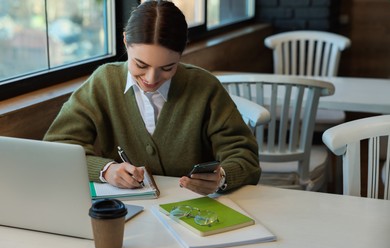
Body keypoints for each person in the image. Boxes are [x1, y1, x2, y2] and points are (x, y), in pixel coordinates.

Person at [43, 0, 260, 195]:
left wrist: (222, 177)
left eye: (167, 67)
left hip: (197, 212)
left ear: (181, 53)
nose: (151, 78)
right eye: (141, 65)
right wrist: (106, 170)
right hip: (130, 211)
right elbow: (56, 147)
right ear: (126, 41)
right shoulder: (104, 81)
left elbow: (245, 157)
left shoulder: (205, 87)